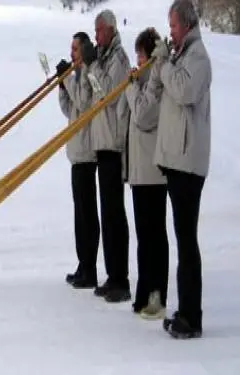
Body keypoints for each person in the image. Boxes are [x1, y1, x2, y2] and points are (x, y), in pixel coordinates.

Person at [150, 0, 212, 339]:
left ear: (186, 25)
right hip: (178, 161)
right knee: (182, 239)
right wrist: (165, 62)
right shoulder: (183, 55)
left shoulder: (198, 57)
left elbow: (185, 91)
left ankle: (192, 316)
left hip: (189, 164)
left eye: (172, 26)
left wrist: (162, 64)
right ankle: (186, 310)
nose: (170, 32)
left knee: (187, 241)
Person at [117, 27, 169, 320]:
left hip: (154, 172)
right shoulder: (143, 81)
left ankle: (156, 295)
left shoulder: (155, 81)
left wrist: (131, 87)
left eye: (140, 54)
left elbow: (144, 115)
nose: (137, 60)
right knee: (144, 237)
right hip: (139, 172)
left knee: (154, 236)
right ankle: (144, 291)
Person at [89, 9, 131, 303]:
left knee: (115, 212)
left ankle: (121, 278)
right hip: (101, 143)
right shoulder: (104, 58)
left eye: (99, 32)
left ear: (111, 31)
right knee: (107, 212)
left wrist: (93, 66)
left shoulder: (118, 59)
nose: (96, 37)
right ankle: (112, 273)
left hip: (114, 145)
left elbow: (110, 94)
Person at [56, 32, 99, 289]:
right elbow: (69, 109)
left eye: (75, 48)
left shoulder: (86, 74)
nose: (72, 53)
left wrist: (69, 80)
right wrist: (63, 86)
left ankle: (90, 267)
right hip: (76, 152)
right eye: (70, 48)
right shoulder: (78, 76)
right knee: (79, 215)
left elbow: (83, 103)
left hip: (86, 152)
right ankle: (83, 264)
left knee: (87, 214)